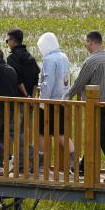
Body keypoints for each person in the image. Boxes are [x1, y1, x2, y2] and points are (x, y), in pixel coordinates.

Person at [66, 30, 105, 180]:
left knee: (101, 138)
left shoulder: (91, 61)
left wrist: (67, 96)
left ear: (91, 42)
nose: (86, 46)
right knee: (94, 136)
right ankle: (83, 169)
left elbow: (79, 83)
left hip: (94, 107)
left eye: (86, 43)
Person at [36, 32, 74, 173]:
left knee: (42, 132)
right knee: (61, 133)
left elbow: (48, 81)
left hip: (49, 101)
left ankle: (41, 165)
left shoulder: (49, 59)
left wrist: (42, 99)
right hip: (62, 100)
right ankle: (75, 162)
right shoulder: (64, 57)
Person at [0, 47, 22, 172]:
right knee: (0, 137)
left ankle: (8, 157)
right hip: (11, 109)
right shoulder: (11, 69)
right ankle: (0, 166)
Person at [5, 28, 40, 98]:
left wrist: (26, 95)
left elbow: (17, 79)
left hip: (17, 101)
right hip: (30, 100)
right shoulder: (31, 57)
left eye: (7, 40)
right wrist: (32, 97)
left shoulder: (12, 58)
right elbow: (36, 78)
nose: (7, 43)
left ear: (13, 41)